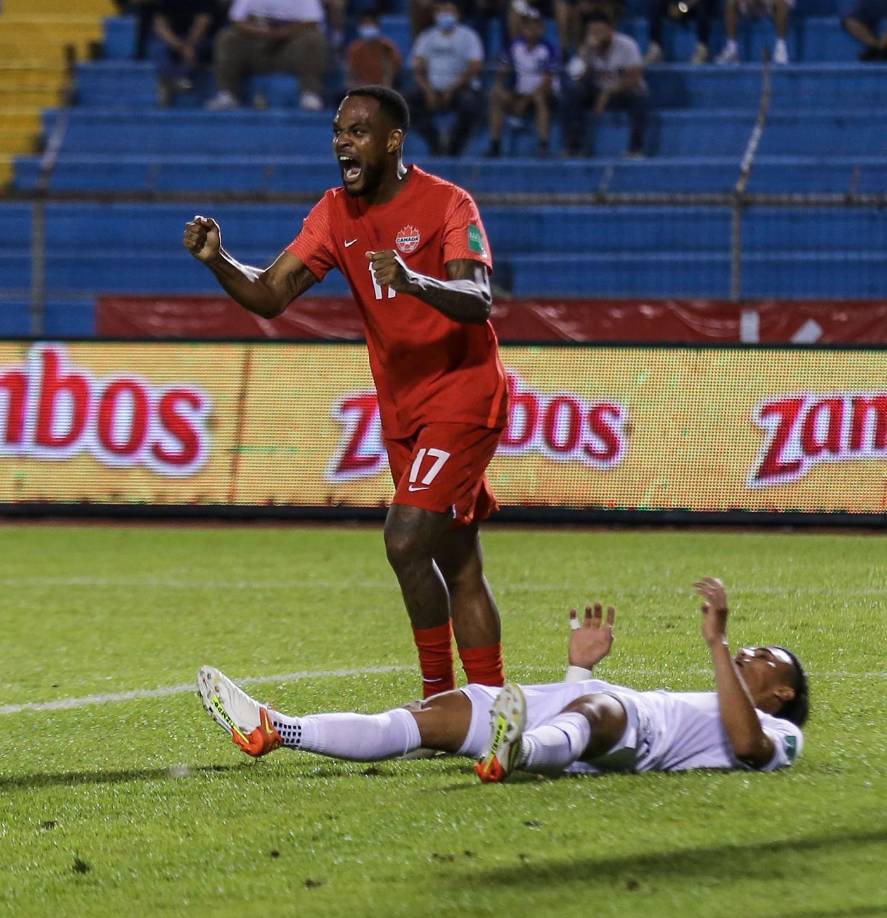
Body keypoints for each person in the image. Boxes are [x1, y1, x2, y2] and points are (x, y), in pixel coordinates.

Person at [183, 86, 508, 699]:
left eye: (358, 131)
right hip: (405, 410)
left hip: (463, 395)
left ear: (393, 141)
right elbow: (272, 293)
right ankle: (492, 710)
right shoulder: (335, 212)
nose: (342, 142)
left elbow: (479, 298)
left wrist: (415, 282)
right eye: (338, 131)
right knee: (459, 562)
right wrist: (219, 260)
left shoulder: (448, 203)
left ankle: (438, 701)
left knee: (404, 539)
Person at [197, 577, 809, 783]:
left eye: (765, 657)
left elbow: (748, 746)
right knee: (427, 717)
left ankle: (517, 752)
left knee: (600, 711)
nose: (749, 653)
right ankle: (279, 730)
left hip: (630, 728)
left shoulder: (782, 733)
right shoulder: (726, 695)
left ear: (782, 692)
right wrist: (580, 667)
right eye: (748, 648)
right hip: (563, 704)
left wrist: (717, 643)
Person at [205, 0, 329, 111]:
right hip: (256, 42)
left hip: (290, 45)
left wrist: (280, 33)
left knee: (313, 39)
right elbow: (236, 20)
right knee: (228, 37)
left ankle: (310, 94)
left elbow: (311, 22)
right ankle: (227, 94)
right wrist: (262, 32)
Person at [562, 10, 648, 158]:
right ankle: (574, 148)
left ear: (611, 29)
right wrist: (585, 54)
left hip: (621, 91)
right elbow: (577, 78)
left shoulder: (627, 45)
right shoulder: (587, 48)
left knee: (639, 96)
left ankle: (636, 149)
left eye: (600, 31)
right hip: (596, 91)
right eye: (593, 32)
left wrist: (607, 92)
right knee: (572, 91)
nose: (597, 35)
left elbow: (634, 78)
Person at [407, 2, 485, 156]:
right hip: (431, 89)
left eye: (449, 11)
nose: (445, 14)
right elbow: (418, 67)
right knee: (405, 103)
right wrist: (428, 90)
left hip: (460, 88)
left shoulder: (469, 36)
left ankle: (454, 146)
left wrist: (452, 89)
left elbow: (475, 67)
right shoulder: (427, 36)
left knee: (470, 104)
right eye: (441, 11)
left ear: (458, 14)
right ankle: (434, 141)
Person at [485, 7, 560, 158]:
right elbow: (502, 71)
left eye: (535, 25)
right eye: (527, 25)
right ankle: (495, 144)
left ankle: (543, 145)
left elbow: (547, 81)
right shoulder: (514, 46)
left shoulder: (549, 49)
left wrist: (524, 101)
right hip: (520, 93)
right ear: (522, 28)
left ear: (541, 28)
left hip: (545, 94)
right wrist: (499, 87)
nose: (531, 29)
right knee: (495, 95)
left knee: (539, 98)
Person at [151, 0, 217, 106]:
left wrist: (190, 44)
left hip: (198, 38)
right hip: (174, 38)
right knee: (159, 48)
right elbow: (160, 24)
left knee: (198, 48)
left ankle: (177, 80)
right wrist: (178, 45)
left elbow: (203, 21)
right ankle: (170, 80)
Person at [715, 0, 793, 65]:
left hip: (770, 3)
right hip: (748, 3)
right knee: (731, 3)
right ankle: (732, 50)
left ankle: (781, 50)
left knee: (782, 4)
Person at [644, 0, 717, 64]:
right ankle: (656, 48)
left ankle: (702, 48)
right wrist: (672, 4)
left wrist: (683, 6)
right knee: (655, 3)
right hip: (675, 6)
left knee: (703, 7)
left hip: (691, 6)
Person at [345, 10, 402, 89]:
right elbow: (350, 77)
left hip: (384, 89)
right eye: (365, 24)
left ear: (377, 26)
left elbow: (391, 75)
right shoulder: (354, 50)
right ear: (360, 26)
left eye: (370, 23)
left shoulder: (387, 47)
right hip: (362, 90)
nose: (368, 26)